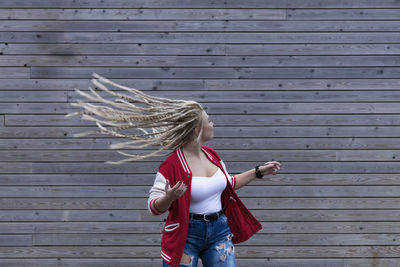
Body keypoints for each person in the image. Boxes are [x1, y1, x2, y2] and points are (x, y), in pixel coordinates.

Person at [66, 73, 282, 267]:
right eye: (209, 121)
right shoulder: (171, 166)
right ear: (197, 130)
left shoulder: (212, 155)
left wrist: (258, 172)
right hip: (186, 235)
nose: (213, 124)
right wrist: (169, 197)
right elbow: (153, 207)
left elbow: (226, 183)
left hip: (220, 231)